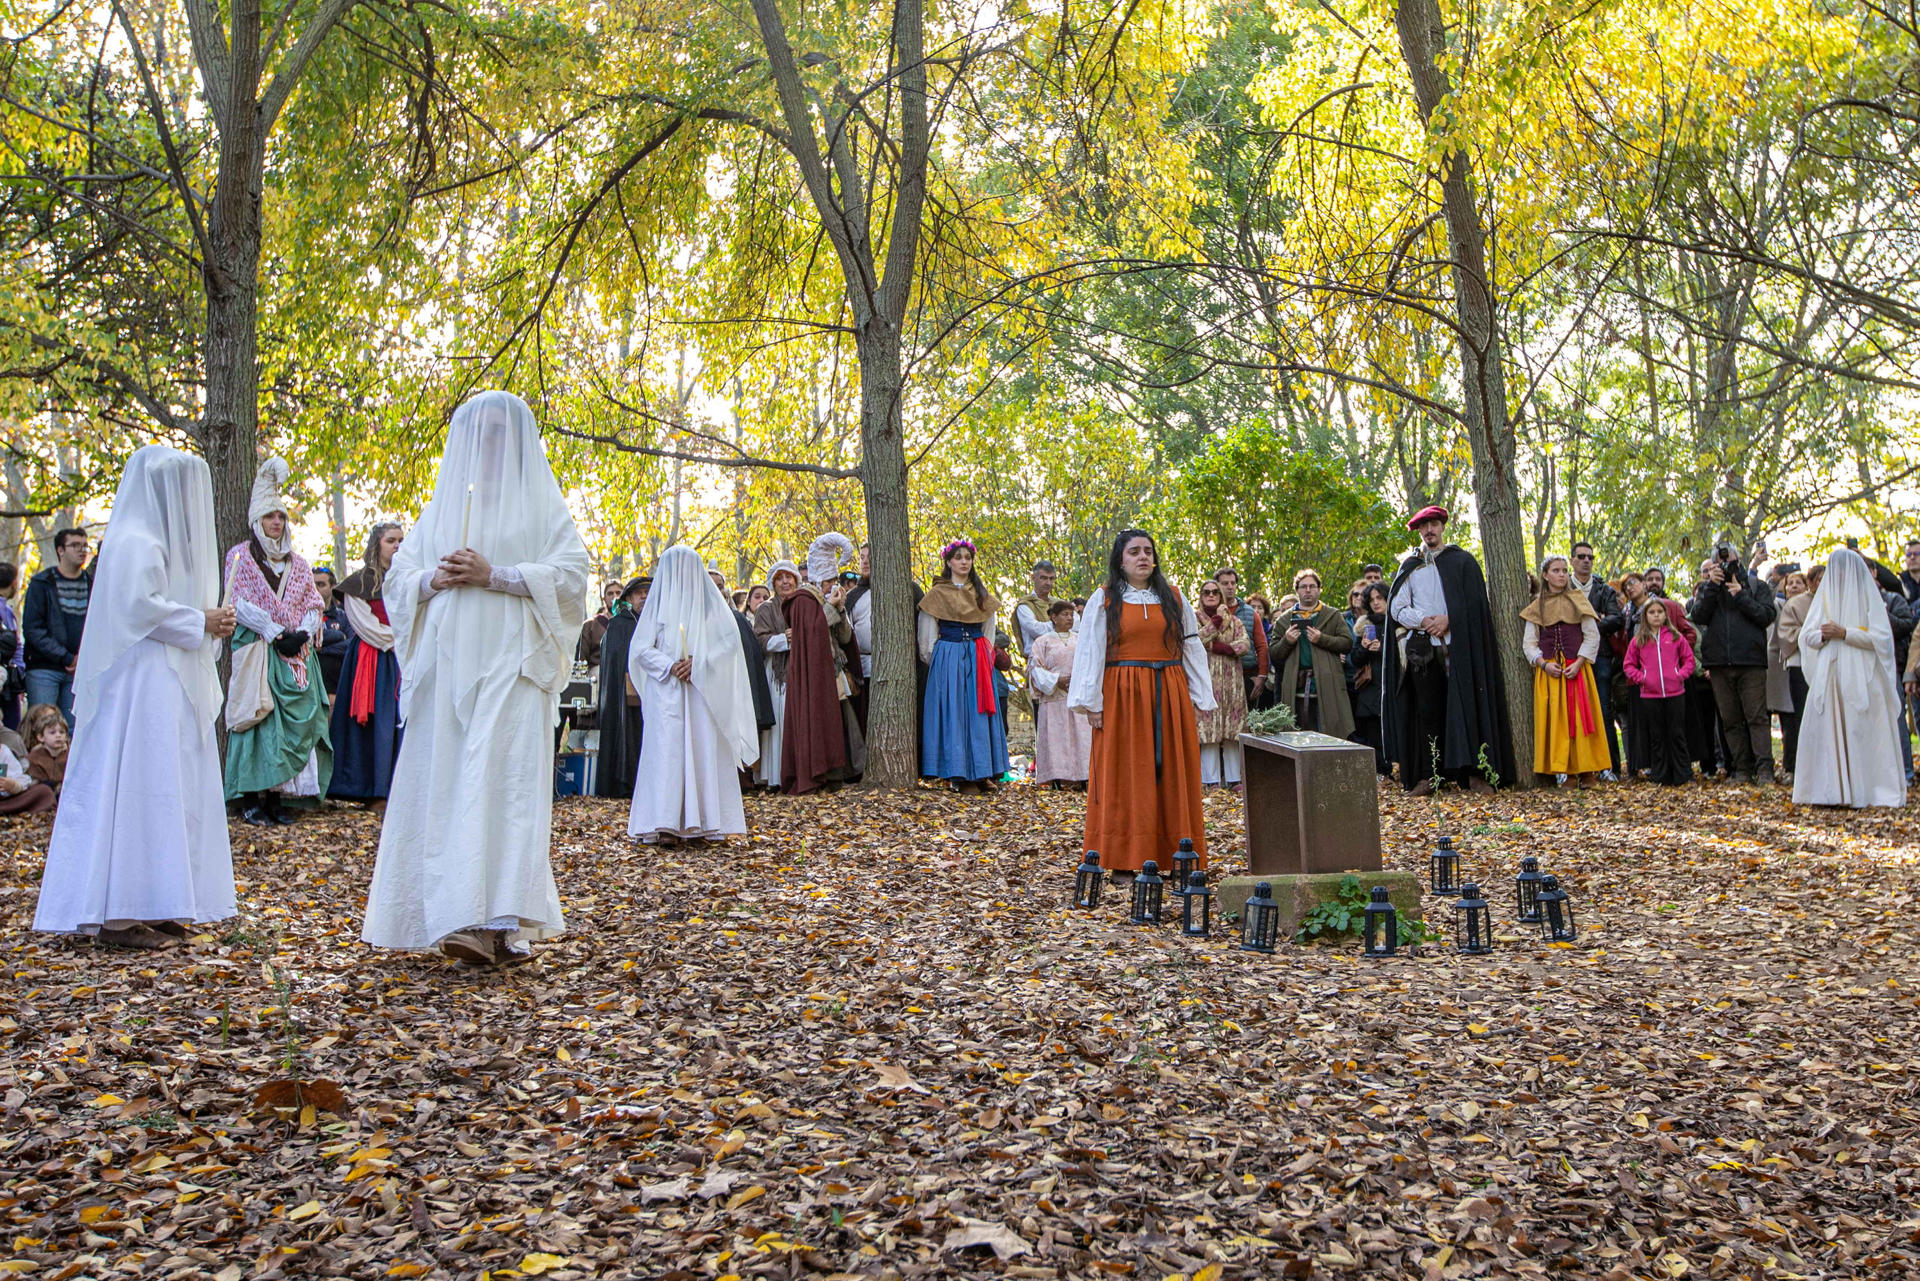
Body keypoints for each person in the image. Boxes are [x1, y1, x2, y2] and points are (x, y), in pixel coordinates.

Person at [361, 390, 590, 967]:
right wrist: (433, 581)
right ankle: (451, 911)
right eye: (478, 433)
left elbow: (571, 579)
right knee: (449, 781)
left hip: (512, 664)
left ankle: (497, 920)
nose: (486, 444)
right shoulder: (442, 509)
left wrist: (499, 575)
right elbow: (398, 581)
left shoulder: (540, 508)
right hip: (448, 667)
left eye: (496, 433)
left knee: (504, 783)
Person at [34, 446, 236, 948]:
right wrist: (199, 620)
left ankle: (158, 898)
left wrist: (208, 621)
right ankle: (120, 912)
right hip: (140, 685)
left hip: (164, 679)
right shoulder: (133, 539)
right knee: (140, 784)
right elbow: (137, 608)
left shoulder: (153, 540)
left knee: (168, 784)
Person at [1069, 529, 1212, 878]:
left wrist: (1199, 695)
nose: (1143, 557)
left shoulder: (1174, 598)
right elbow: (1090, 651)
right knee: (1125, 773)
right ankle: (1124, 858)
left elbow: (1191, 646)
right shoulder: (1104, 599)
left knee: (1171, 774)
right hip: (1122, 696)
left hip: (1169, 692)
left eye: (1148, 550)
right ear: (1121, 559)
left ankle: (1178, 855)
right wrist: (1092, 702)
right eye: (1134, 551)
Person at [223, 459, 332, 825]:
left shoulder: (299, 564)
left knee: (289, 726)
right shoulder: (240, 557)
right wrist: (273, 632)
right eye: (270, 516)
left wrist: (301, 631)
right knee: (258, 720)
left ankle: (279, 796)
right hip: (258, 649)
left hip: (294, 654)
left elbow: (313, 603)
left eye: (281, 517)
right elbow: (237, 599)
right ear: (258, 520)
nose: (277, 522)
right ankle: (251, 797)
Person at [627, 547, 758, 844]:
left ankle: (704, 820)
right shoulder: (657, 608)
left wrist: (699, 663)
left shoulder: (711, 609)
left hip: (701, 693)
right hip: (668, 694)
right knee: (668, 753)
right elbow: (640, 649)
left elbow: (729, 646)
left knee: (702, 750)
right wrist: (670, 665)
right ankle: (665, 822)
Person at [1383, 508, 1512, 794]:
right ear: (1418, 532)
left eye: (1434, 524)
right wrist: (1424, 621)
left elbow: (1476, 605)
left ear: (1442, 527)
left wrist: (1449, 619)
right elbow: (1397, 607)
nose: (1429, 530)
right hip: (1423, 652)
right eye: (1424, 526)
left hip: (1460, 648)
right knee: (1428, 712)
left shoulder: (1462, 562)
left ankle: (1473, 774)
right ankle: (1430, 776)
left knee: (1466, 707)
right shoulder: (1410, 566)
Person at [1795, 549, 1906, 808]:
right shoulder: (1824, 600)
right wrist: (1823, 635)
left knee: (1860, 729)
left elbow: (1882, 639)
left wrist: (1846, 633)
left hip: (1862, 675)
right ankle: (1829, 790)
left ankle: (1866, 789)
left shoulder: (1869, 598)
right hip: (1830, 675)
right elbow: (1806, 637)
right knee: (1827, 729)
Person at [918, 537, 1009, 790]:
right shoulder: (937, 594)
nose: (964, 562)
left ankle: (983, 772)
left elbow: (989, 627)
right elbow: (927, 634)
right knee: (953, 713)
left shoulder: (980, 592)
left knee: (978, 712)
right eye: (958, 557)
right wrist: (939, 659)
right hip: (949, 655)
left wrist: (986, 654)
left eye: (967, 558)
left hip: (978, 655)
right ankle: (955, 773)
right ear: (948, 562)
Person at [780, 533, 865, 794]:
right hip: (813, 676)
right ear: (817, 579)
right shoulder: (802, 601)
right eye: (828, 581)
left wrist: (839, 611)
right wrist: (830, 607)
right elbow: (811, 633)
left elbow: (845, 637)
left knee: (843, 723)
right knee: (819, 721)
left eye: (834, 580)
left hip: (835, 672)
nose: (831, 585)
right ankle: (820, 773)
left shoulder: (828, 601)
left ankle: (843, 771)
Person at [327, 524, 406, 805]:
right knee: (374, 723)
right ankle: (371, 791)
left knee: (399, 722)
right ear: (377, 544)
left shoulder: (408, 579)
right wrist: (401, 639)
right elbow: (365, 626)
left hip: (404, 659)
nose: (397, 545)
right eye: (390, 540)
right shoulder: (358, 583)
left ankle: (400, 789)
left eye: (401, 540)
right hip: (371, 660)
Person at [1688, 544, 1778, 784]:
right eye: (1720, 558)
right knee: (1730, 720)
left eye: (1729, 557)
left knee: (1757, 717)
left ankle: (1765, 770)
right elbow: (1698, 616)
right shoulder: (1710, 588)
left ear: (1739, 558)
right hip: (1718, 663)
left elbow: (1766, 616)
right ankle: (1742, 769)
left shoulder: (1754, 584)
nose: (1725, 561)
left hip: (1751, 661)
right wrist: (1712, 586)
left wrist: (1741, 594)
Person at [1521, 555, 1610, 786]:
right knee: (1558, 721)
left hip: (1577, 670)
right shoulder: (1536, 607)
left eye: (1564, 570)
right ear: (1545, 575)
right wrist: (1543, 664)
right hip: (1551, 672)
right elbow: (1529, 643)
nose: (1562, 574)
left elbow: (1592, 635)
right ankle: (1568, 773)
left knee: (1581, 718)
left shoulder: (1578, 600)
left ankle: (1587, 771)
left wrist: (1579, 662)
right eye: (1556, 570)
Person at [1271, 568, 1354, 738]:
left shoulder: (1332, 615)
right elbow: (1273, 654)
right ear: (1297, 590)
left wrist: (1322, 639)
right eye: (1303, 587)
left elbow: (1347, 643)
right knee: (1296, 737)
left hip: (1327, 684)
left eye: (1312, 586)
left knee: (1329, 735)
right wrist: (1287, 641)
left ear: (1319, 589)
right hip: (1295, 687)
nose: (1308, 590)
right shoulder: (1284, 620)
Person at [23, 526, 93, 726]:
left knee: (74, 728)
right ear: (60, 550)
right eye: (75, 545)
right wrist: (66, 657)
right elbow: (33, 629)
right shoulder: (41, 583)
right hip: (45, 667)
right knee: (43, 726)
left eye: (85, 546)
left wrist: (82, 657)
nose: (82, 550)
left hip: (80, 669)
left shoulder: (92, 584)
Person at [1622, 598, 1696, 786]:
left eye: (1659, 612)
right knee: (1657, 735)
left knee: (1677, 733)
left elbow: (1689, 660)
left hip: (1675, 693)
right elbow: (1629, 665)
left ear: (1665, 615)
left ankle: (1683, 774)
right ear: (1645, 616)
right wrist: (1643, 678)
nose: (1656, 615)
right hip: (1650, 695)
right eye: (1652, 612)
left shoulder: (1675, 636)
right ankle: (1660, 775)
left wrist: (1680, 675)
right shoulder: (1639, 640)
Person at [1570, 542, 1625, 775]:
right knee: (1572, 712)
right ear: (1572, 560)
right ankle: (1573, 768)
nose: (1586, 561)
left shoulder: (1605, 590)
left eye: (1590, 557)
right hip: (1570, 658)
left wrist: (1591, 621)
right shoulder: (1562, 588)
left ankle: (1608, 767)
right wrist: (1597, 618)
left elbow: (1616, 619)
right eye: (1581, 556)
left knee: (1603, 710)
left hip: (1600, 657)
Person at [593, 576, 649, 798]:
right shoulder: (620, 624)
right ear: (629, 598)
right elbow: (615, 660)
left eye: (648, 592)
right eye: (639, 593)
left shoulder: (662, 622)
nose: (644, 597)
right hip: (626, 696)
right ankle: (626, 783)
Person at [712, 568, 775, 767]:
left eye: (720, 586)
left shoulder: (736, 619)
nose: (717, 590)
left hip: (736, 687)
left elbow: (750, 657)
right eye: (711, 585)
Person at [1194, 579, 1250, 787]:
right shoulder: (1194, 618)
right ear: (1201, 596)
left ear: (1221, 596)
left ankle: (1235, 778)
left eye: (1215, 592)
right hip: (1205, 681)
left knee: (1232, 731)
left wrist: (1221, 648)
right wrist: (1213, 625)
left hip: (1231, 683)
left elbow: (1244, 644)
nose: (1211, 595)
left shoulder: (1235, 621)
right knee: (1209, 731)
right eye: (1206, 592)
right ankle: (1211, 780)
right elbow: (1192, 641)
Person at [1029, 599, 1091, 786]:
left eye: (1072, 615)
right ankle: (1057, 778)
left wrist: (1076, 681)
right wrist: (1056, 680)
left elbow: (1089, 664)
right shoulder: (1042, 642)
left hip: (1077, 696)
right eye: (1065, 614)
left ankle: (1084, 777)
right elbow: (1035, 668)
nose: (1069, 618)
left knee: (1081, 738)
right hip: (1054, 698)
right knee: (1057, 739)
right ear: (1053, 617)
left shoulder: (1081, 640)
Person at [751, 563, 800, 789]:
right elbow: (759, 640)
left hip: (800, 670)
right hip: (776, 674)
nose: (785, 582)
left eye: (789, 577)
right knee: (779, 723)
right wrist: (783, 639)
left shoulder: (803, 604)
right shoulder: (766, 609)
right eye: (780, 579)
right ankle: (777, 775)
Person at [1213, 567, 1272, 709]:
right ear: (1217, 585)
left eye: (1233, 583)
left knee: (1246, 724)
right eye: (1225, 583)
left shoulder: (1250, 613)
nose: (1230, 587)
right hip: (1216, 676)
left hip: (1247, 675)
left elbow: (1262, 646)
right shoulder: (1209, 610)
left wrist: (1262, 676)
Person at [1772, 570, 1811, 781]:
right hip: (1792, 665)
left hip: (1813, 667)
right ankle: (1792, 765)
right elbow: (1785, 637)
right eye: (1790, 583)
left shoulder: (1816, 605)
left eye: (1799, 582)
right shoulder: (1782, 607)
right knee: (1791, 719)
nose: (1794, 586)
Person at [1347, 582, 1389, 773]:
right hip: (1370, 688)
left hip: (1391, 685)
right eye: (1372, 600)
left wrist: (1382, 649)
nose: (1376, 603)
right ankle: (1381, 771)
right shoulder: (1364, 626)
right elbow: (1354, 659)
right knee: (1372, 734)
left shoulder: (1396, 623)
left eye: (1380, 598)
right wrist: (1364, 647)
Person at [311, 565, 352, 700]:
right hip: (310, 688)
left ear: (332, 587)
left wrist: (320, 649)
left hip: (338, 688)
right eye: (312, 584)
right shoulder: (299, 616)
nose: (315, 589)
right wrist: (338, 636)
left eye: (321, 584)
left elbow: (351, 644)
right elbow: (306, 640)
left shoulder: (343, 616)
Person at [1012, 559, 1067, 659]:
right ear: (1033, 578)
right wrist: (1061, 624)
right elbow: (1036, 630)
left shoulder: (1059, 604)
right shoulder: (1025, 605)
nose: (1048, 583)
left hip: (1062, 660)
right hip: (1037, 662)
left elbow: (1076, 625)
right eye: (1044, 578)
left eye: (1051, 579)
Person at [23, 701, 68, 796]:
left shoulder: (70, 755)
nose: (58, 736)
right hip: (42, 791)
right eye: (52, 732)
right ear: (41, 737)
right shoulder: (34, 756)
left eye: (62, 732)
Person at [0, 564, 24, 731]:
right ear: (14, 583)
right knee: (11, 725)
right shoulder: (4, 611)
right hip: (5, 675)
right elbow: (13, 644)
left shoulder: (7, 609)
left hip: (7, 675)